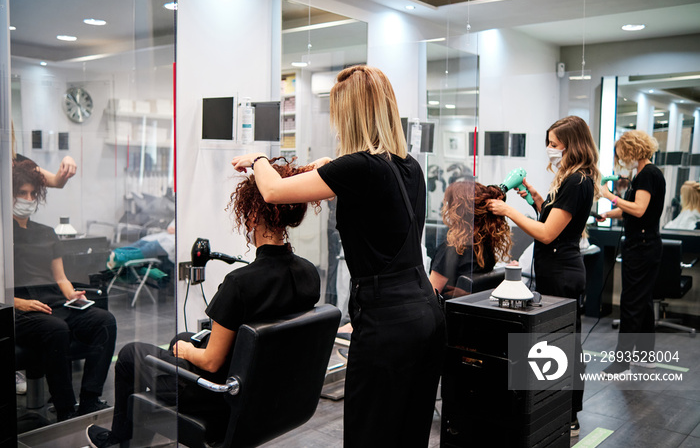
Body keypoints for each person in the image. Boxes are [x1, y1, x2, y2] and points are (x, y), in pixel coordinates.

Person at [231, 65, 445, 448]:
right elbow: (368, 185)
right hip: (425, 312)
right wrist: (330, 165)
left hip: (387, 321)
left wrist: (259, 159)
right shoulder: (409, 166)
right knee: (409, 432)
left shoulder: (358, 167)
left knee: (370, 433)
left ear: (349, 114)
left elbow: (275, 192)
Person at [86, 158, 321, 448]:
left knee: (131, 355)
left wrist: (186, 351)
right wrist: (185, 346)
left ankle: (118, 441)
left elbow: (211, 361)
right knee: (182, 338)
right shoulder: (309, 273)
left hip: (220, 393)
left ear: (251, 215)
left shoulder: (240, 283)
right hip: (269, 390)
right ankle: (138, 430)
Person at [487, 115, 600, 437]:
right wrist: (534, 198)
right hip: (556, 269)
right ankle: (555, 408)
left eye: (554, 144)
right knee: (556, 343)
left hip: (563, 273)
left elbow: (549, 234)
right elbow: (554, 219)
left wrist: (509, 211)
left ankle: (570, 414)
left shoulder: (576, 181)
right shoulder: (570, 179)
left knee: (564, 346)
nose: (550, 149)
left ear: (571, 145)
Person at [12, 160, 117, 421]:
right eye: (22, 193)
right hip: (22, 309)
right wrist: (18, 303)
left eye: (32, 194)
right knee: (57, 329)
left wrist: (71, 295)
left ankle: (90, 399)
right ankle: (65, 408)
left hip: (55, 304)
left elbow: (61, 278)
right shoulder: (3, 234)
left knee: (104, 321)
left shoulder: (46, 233)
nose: (28, 199)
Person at [596, 130, 666, 374]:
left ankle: (622, 361)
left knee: (631, 302)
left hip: (643, 246)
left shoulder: (647, 175)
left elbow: (638, 209)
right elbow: (633, 210)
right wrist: (607, 213)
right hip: (644, 244)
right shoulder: (644, 174)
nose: (621, 159)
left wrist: (611, 197)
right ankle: (646, 356)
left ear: (631, 150)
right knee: (643, 301)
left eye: (621, 154)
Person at [429, 181, 512, 296]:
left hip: (450, 311)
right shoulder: (485, 244)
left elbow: (431, 295)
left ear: (457, 210)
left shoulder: (452, 249)